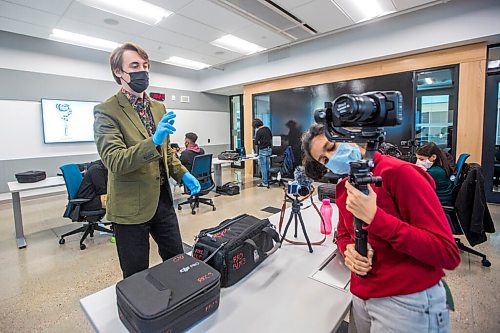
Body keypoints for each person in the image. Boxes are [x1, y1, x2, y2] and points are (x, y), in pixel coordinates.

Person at [301, 124, 460, 333]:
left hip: (407, 301)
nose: (332, 159)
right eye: (324, 160)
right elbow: (343, 233)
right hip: (362, 295)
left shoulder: (400, 173)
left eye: (331, 147)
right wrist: (349, 249)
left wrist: (376, 218)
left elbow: (447, 253)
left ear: (350, 137)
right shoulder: (344, 186)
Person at [94, 42, 201, 279]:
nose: (142, 71)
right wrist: (152, 141)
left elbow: (166, 154)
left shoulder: (158, 107)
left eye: (145, 65)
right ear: (118, 72)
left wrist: (182, 173)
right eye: (134, 66)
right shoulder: (107, 111)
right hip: (130, 207)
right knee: (136, 275)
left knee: (177, 260)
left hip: (162, 200)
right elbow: (115, 161)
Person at [416, 142, 454, 206]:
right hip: (442, 201)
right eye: (417, 158)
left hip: (440, 203)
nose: (418, 162)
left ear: (433, 157)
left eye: (421, 159)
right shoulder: (441, 167)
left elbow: (414, 182)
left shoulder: (435, 172)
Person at [252, 118, 272, 188]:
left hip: (263, 150)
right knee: (267, 166)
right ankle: (267, 179)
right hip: (269, 149)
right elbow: (270, 138)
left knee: (263, 167)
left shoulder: (259, 131)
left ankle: (265, 183)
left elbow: (256, 142)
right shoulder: (267, 129)